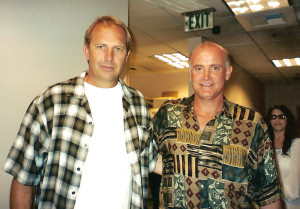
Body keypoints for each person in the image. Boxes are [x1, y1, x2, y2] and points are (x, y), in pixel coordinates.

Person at [3, 16, 159, 209]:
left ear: (126, 55)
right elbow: (24, 178)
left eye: (117, 48)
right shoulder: (51, 101)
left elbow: (151, 161)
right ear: (86, 50)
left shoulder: (138, 104)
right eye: (101, 47)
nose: (109, 57)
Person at [153, 41, 282, 208]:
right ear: (190, 72)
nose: (206, 76)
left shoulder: (251, 123)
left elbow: (268, 194)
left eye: (215, 68)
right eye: (199, 68)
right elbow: (141, 153)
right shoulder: (168, 114)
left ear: (227, 72)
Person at [267, 105, 300, 209]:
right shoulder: (264, 144)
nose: (277, 120)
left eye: (281, 117)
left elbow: (295, 176)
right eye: (273, 117)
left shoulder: (297, 144)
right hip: (269, 202)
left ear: (287, 120)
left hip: (292, 201)